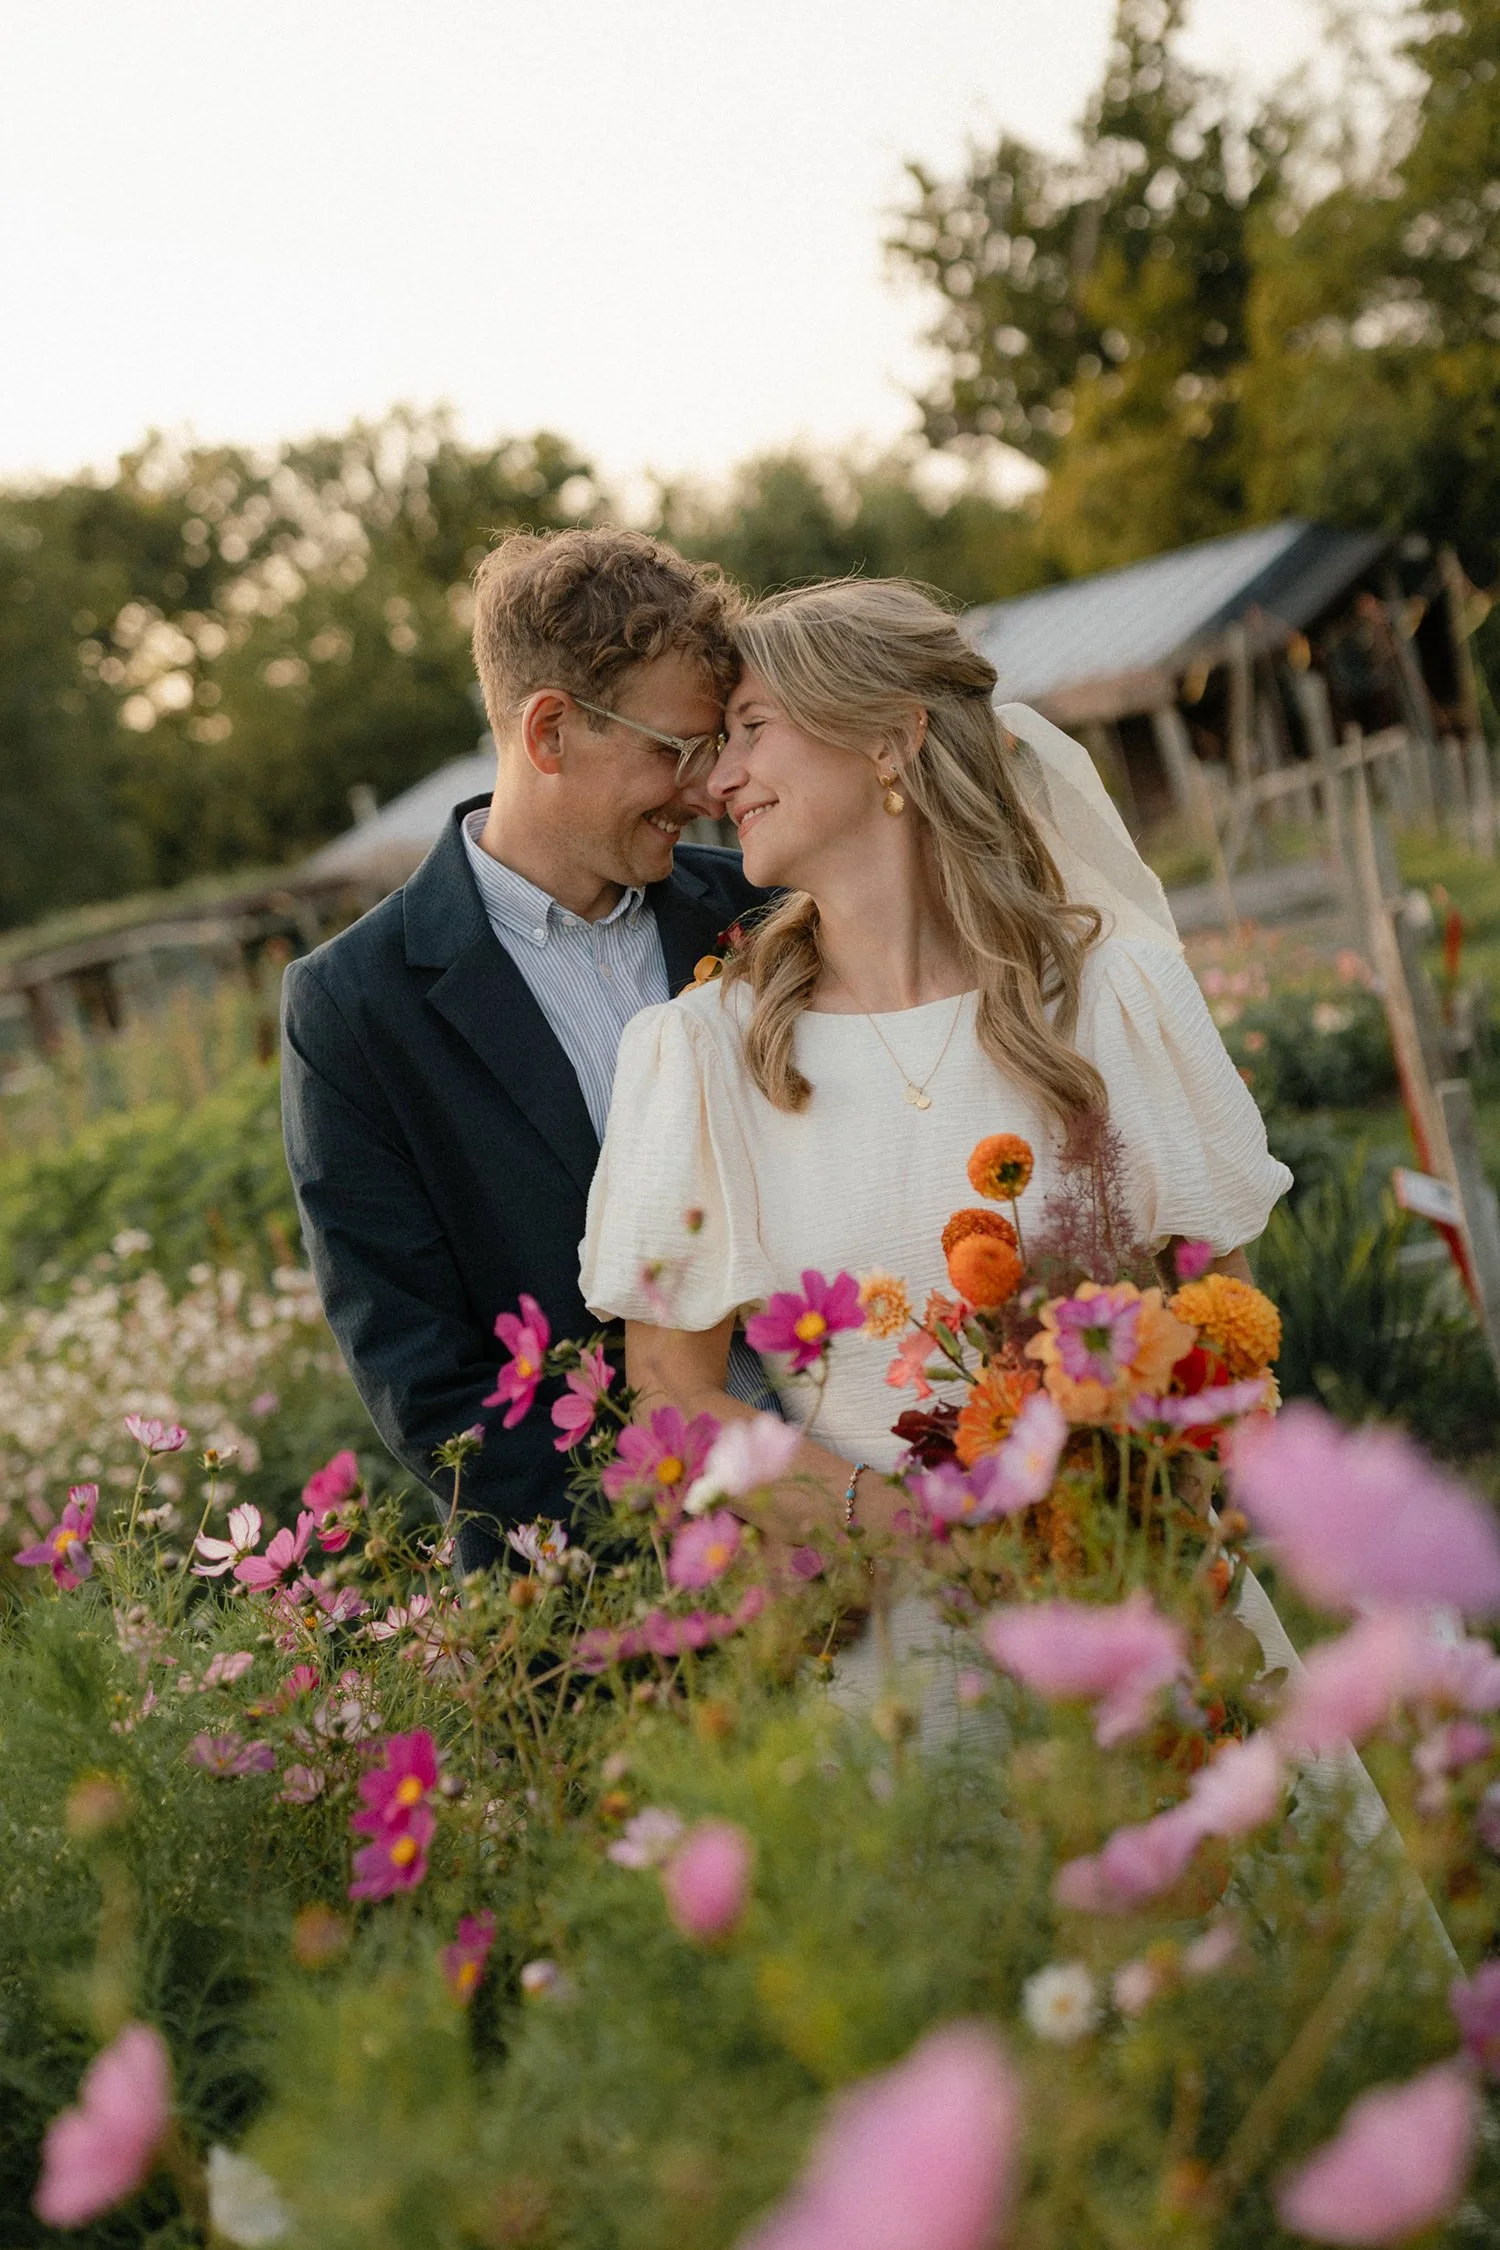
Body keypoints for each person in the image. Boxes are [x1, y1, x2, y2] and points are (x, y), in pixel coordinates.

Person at [580, 578, 1291, 1550]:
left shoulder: (1113, 995)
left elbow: (1222, 1302)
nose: (716, 782)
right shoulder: (703, 1056)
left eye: (750, 729)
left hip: (1143, 1587)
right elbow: (670, 1385)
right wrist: (910, 1531)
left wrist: (1149, 1505)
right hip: (899, 1630)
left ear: (888, 738)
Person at [282, 528, 770, 1567]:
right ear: (550, 732)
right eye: (676, 750)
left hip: (858, 1520)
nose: (706, 788)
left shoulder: (762, 915)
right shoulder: (353, 1010)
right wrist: (692, 1555)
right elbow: (425, 1382)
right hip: (610, 1608)